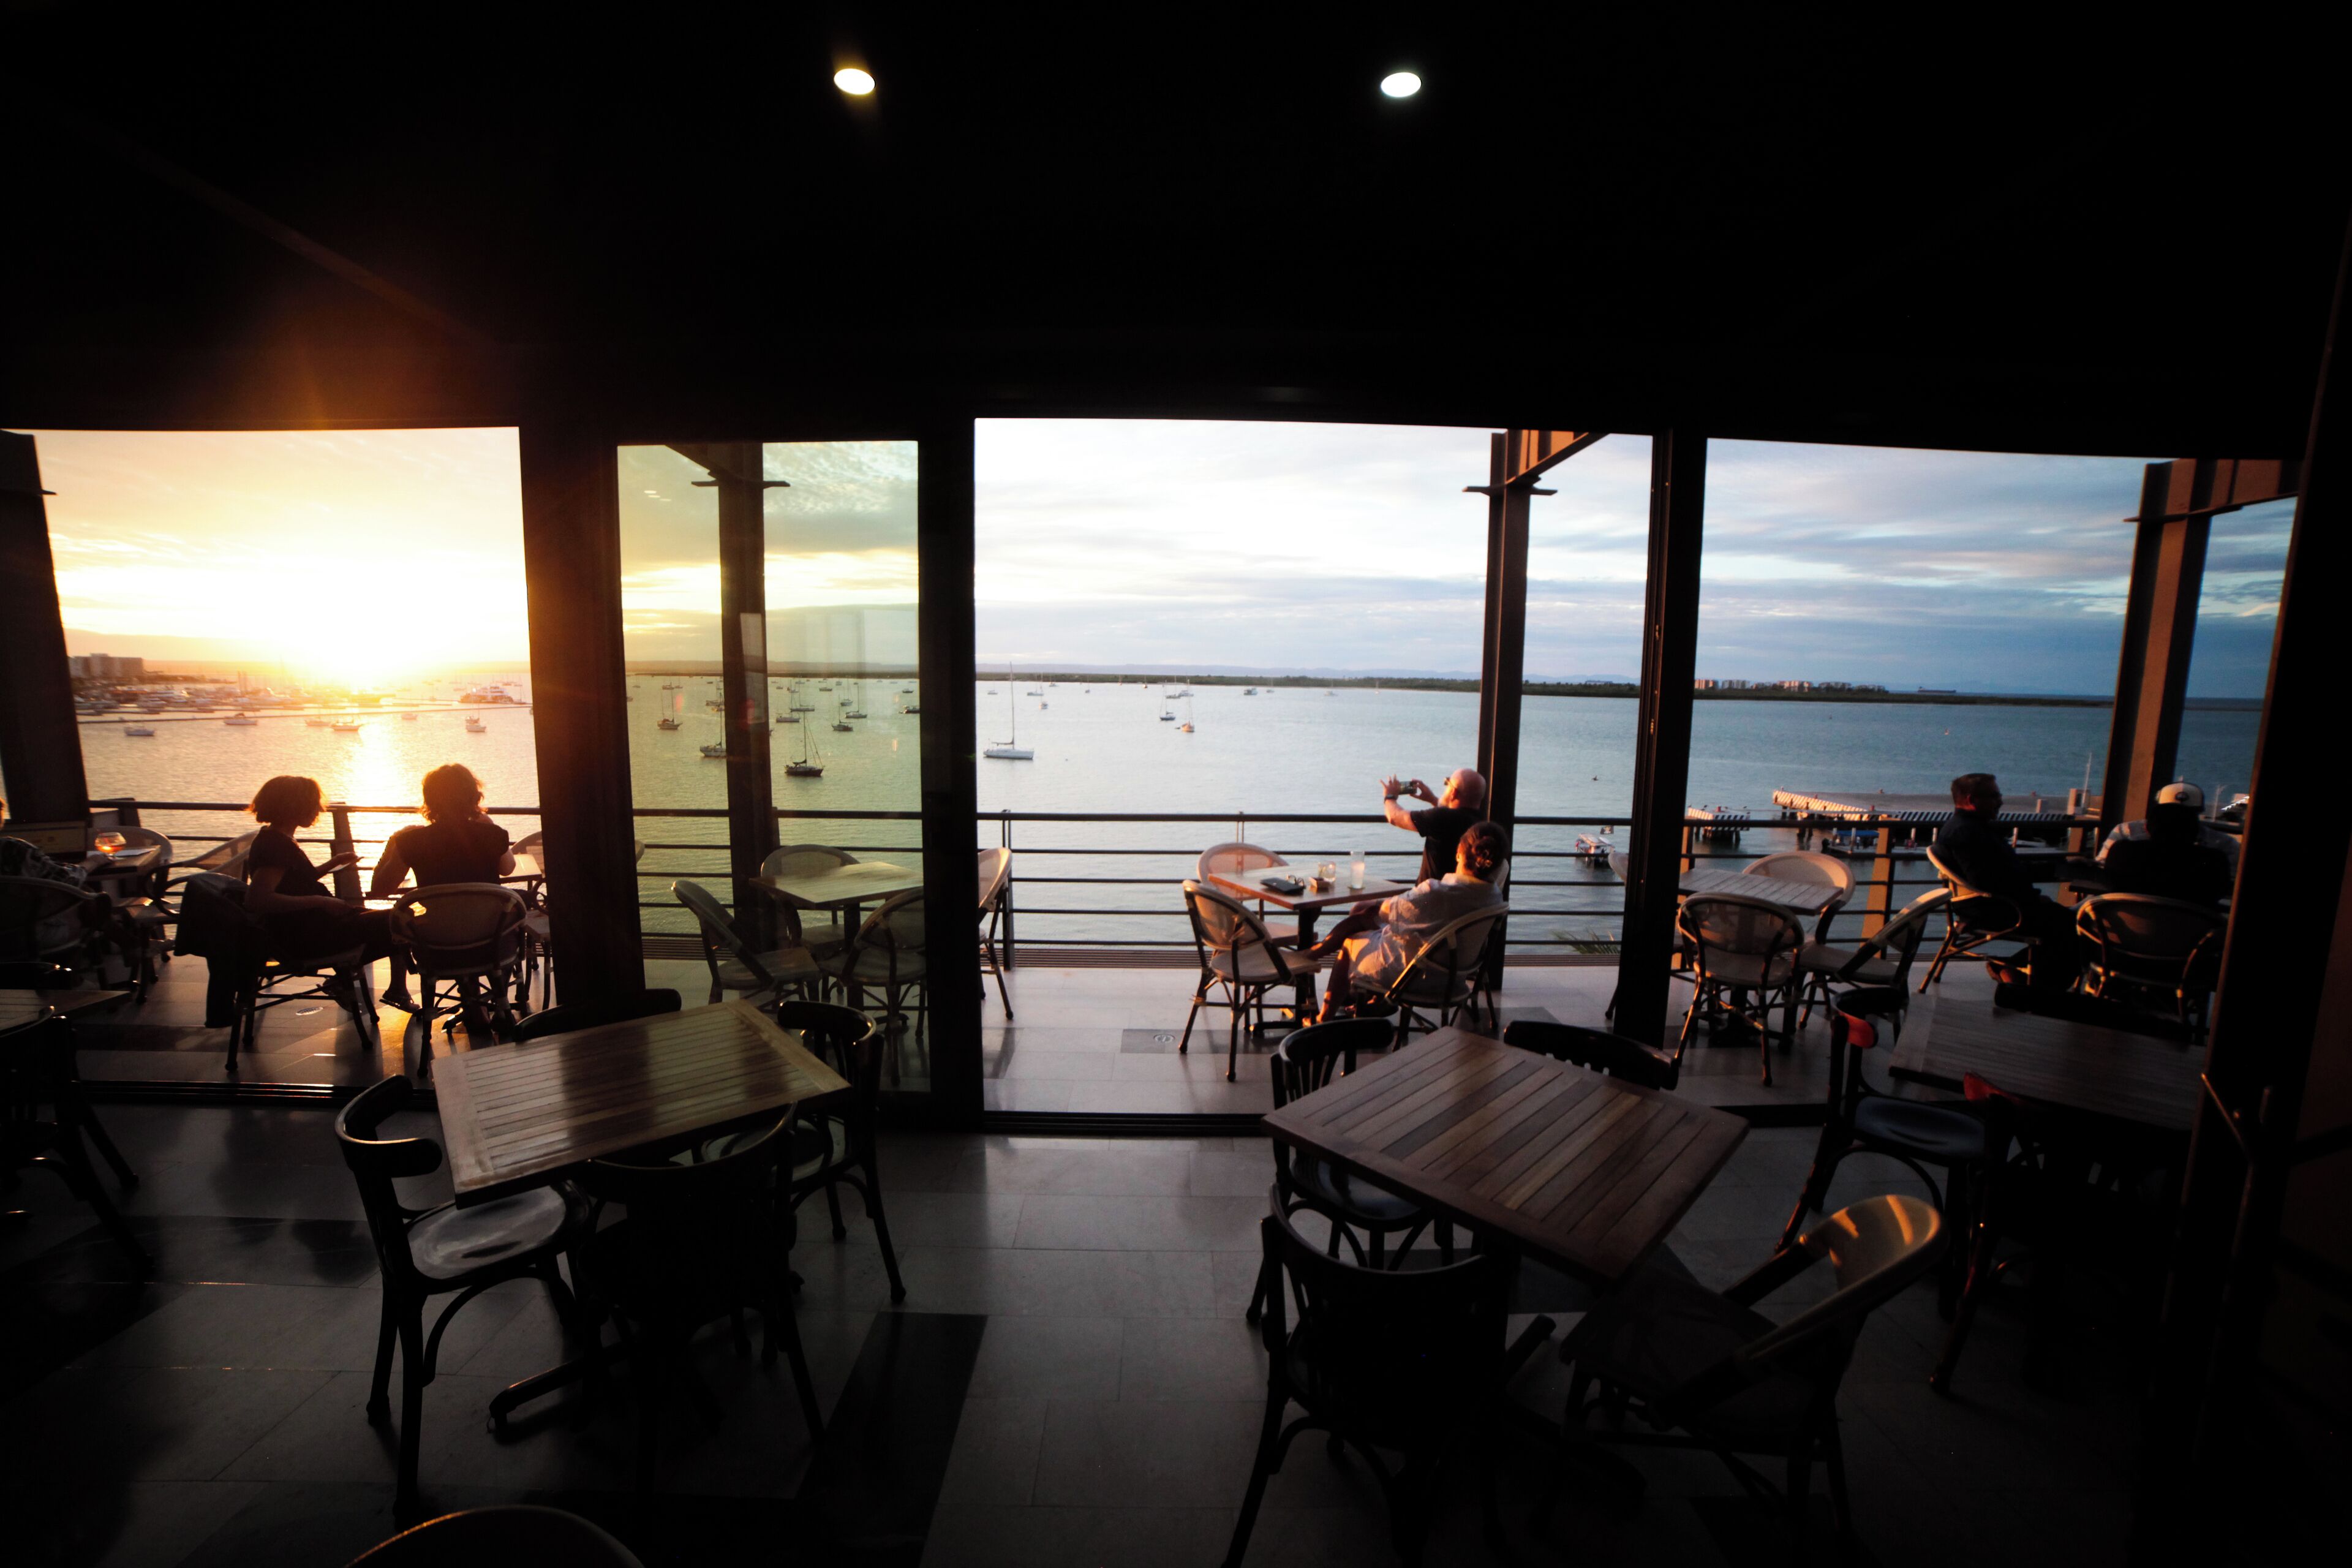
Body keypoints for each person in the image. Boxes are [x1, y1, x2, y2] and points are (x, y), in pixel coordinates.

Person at [1310, 820, 1509, 1022]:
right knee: (1377, 928)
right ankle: (1372, 1004)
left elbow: (1386, 911)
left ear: (1459, 853)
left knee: (1351, 942)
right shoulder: (1493, 896)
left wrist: (1374, 906)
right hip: (1454, 979)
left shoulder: (1436, 892)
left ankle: (1323, 1018)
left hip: (1415, 978)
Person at [369, 764, 517, 1013]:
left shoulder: (412, 842)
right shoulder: (491, 834)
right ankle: (493, 998)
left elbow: (380, 889)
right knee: (511, 909)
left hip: (438, 946)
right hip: (491, 943)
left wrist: (395, 845)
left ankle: (471, 1000)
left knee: (440, 919)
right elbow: (508, 868)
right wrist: (488, 825)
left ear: (430, 800)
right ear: (474, 796)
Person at [244, 775, 391, 1014]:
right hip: (309, 937)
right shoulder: (276, 846)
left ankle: (346, 976)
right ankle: (348, 975)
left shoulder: (275, 839)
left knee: (391, 921)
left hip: (308, 928)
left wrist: (331, 864)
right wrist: (321, 901)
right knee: (398, 922)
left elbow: (294, 883)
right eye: (313, 804)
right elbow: (258, 899)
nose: (318, 810)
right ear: (294, 807)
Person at [1932, 773, 2078, 994]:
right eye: (1994, 796)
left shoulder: (1964, 828)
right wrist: (2034, 897)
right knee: (2075, 925)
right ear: (1972, 800)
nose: (2001, 801)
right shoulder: (1970, 834)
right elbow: (1989, 880)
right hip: (1996, 911)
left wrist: (2054, 869)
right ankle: (2040, 991)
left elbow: (2002, 873)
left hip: (1980, 907)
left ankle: (2019, 972)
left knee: (2063, 923)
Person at [2103, 797, 2233, 905]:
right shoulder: (2215, 860)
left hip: (2120, 931)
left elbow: (2108, 880)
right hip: (2191, 932)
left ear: (2146, 828)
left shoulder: (2122, 851)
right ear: (2196, 831)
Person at [2097, 782, 2241, 876]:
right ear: (2198, 813)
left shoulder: (2125, 833)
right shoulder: (2221, 845)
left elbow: (2102, 869)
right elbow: (2230, 880)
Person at [1379, 767, 1487, 883]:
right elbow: (1455, 817)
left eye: (1448, 784)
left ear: (1454, 792)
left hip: (1429, 896)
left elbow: (1395, 817)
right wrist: (1432, 799)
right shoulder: (1482, 823)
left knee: (1366, 902)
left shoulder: (1441, 818)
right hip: (1458, 894)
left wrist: (1390, 796)